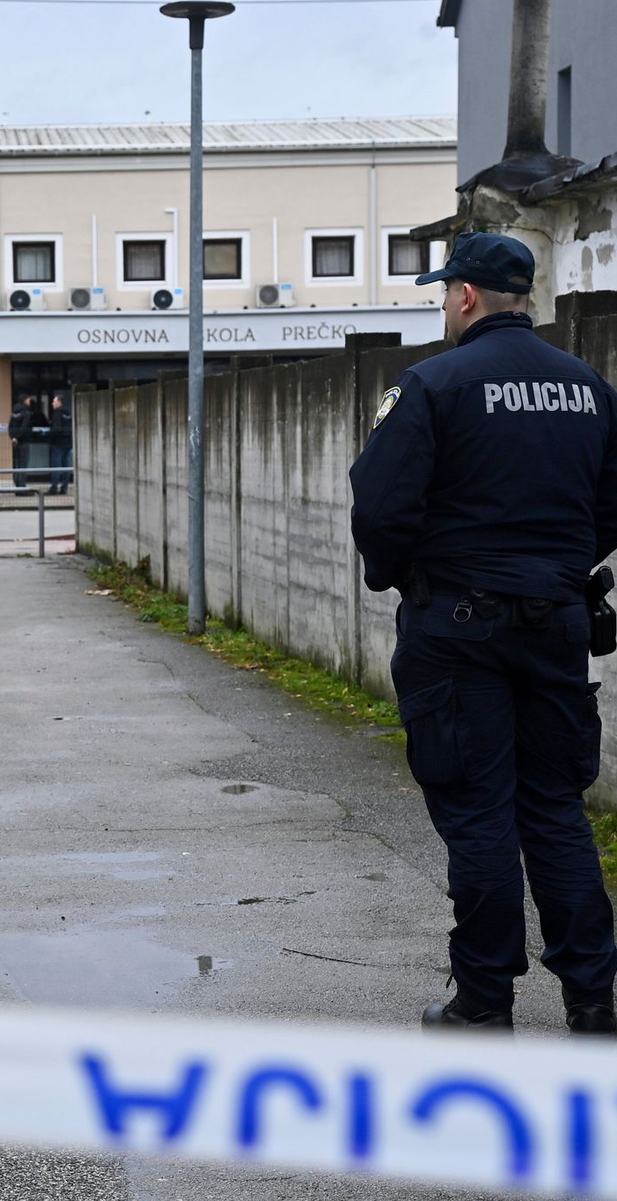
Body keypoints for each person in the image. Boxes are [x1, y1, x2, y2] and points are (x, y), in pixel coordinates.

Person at [349, 231, 617, 1034]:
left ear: (465, 296)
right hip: (557, 622)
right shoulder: (590, 389)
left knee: (478, 811)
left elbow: (382, 510)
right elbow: (609, 505)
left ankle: (484, 1001)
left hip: (457, 626)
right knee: (554, 807)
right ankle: (596, 997)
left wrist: (410, 577)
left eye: (444, 294)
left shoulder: (433, 384)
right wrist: (556, 570)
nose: (444, 305)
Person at [48, 394, 73, 495]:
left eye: (54, 401)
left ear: (59, 402)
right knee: (66, 465)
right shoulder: (69, 413)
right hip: (68, 442)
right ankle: (64, 488)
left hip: (57, 443)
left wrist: (49, 435)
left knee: (56, 466)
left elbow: (56, 429)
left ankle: (54, 487)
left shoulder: (57, 413)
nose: (52, 403)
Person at [8, 394, 34, 486]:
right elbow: (25, 425)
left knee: (17, 464)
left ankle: (17, 486)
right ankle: (22, 487)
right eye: (28, 400)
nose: (29, 402)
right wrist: (18, 437)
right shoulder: (26, 412)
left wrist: (13, 438)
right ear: (25, 400)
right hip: (24, 441)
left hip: (15, 443)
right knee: (23, 465)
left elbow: (10, 426)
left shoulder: (14, 412)